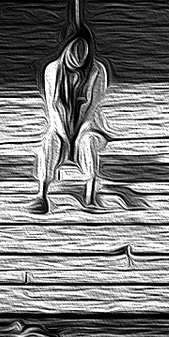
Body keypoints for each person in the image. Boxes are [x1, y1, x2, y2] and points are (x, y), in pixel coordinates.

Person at [30, 26, 111, 214]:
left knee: (88, 142)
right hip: (60, 126)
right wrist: (66, 137)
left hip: (86, 126)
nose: (79, 56)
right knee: (50, 143)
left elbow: (92, 110)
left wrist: (80, 135)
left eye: (83, 51)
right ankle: (42, 195)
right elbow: (53, 110)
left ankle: (90, 193)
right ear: (66, 48)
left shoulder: (97, 71)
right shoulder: (53, 70)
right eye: (75, 49)